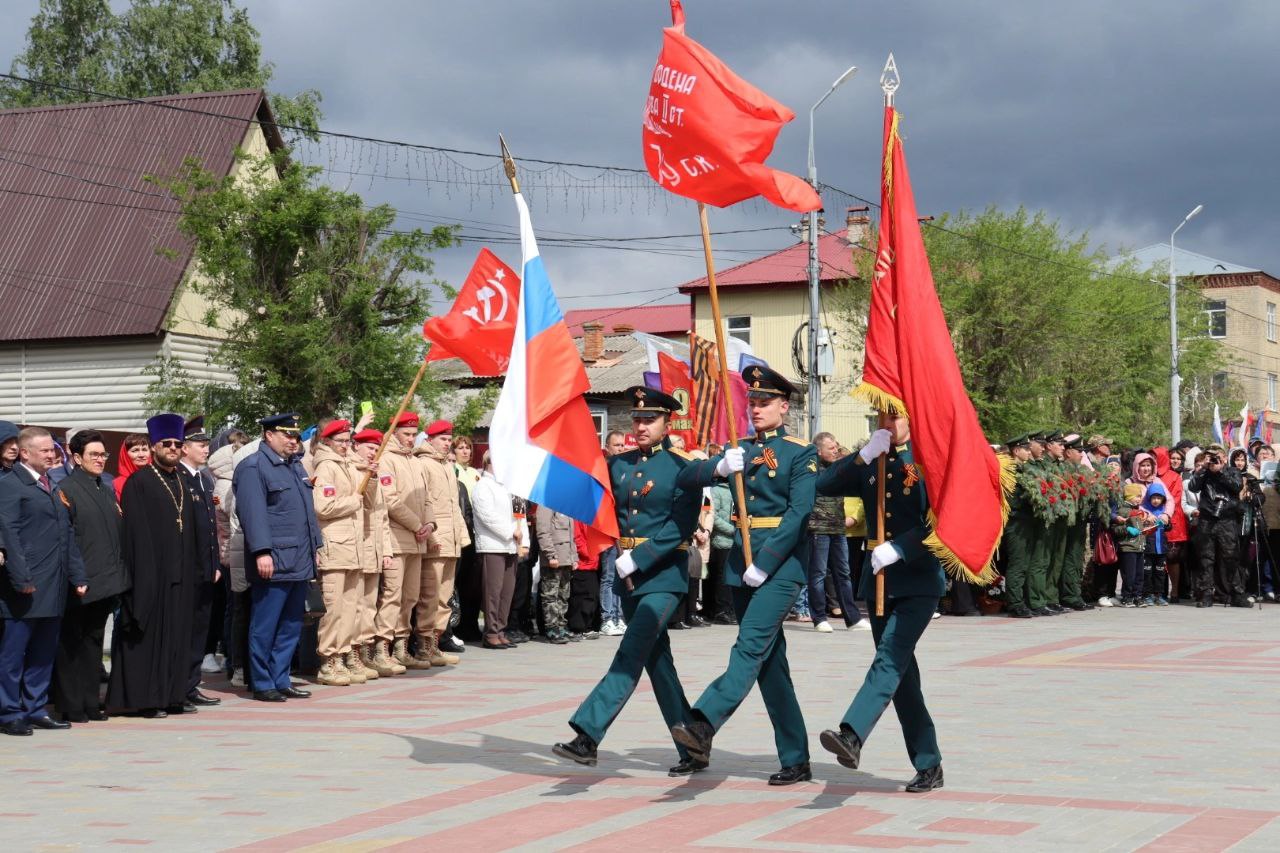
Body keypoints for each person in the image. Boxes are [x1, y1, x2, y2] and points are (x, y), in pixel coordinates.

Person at [670, 365, 815, 786]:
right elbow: (684, 477)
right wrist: (715, 469)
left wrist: (766, 562)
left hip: (779, 567)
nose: (755, 408)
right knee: (771, 665)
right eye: (751, 401)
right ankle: (795, 757)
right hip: (739, 564)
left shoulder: (798, 451)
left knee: (749, 647)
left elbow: (800, 512)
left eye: (764, 402)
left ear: (783, 407)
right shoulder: (739, 450)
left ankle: (702, 722)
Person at [554, 387, 701, 774]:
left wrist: (639, 557)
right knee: (659, 663)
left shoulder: (682, 467)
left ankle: (588, 734)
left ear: (667, 423)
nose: (640, 426)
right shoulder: (619, 465)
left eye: (649, 419)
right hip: (629, 575)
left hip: (663, 575)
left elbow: (680, 527)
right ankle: (693, 743)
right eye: (636, 419)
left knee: (631, 651)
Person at [813, 408, 946, 793]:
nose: (886, 426)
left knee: (889, 657)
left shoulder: (926, 461)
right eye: (881, 419)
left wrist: (902, 549)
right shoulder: (872, 457)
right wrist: (863, 456)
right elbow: (826, 485)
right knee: (901, 677)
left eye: (894, 419)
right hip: (879, 581)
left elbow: (939, 518)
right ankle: (929, 763)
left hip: (917, 578)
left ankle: (852, 733)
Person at [107, 414, 199, 718]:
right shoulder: (139, 481)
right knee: (149, 637)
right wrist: (145, 575)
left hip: (180, 572)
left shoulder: (183, 480)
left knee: (176, 637)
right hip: (151, 574)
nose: (172, 448)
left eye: (177, 444)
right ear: (155, 446)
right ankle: (145, 700)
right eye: (166, 444)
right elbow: (135, 535)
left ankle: (172, 694)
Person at [0, 428, 89, 735]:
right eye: (45, 451)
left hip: (53, 584)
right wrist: (21, 577)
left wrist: (77, 574)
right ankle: (9, 711)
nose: (52, 455)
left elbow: (66, 535)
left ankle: (34, 707)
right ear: (25, 453)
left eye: (53, 450)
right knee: (13, 654)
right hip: (23, 586)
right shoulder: (10, 486)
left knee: (43, 651)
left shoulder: (51, 484)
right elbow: (8, 536)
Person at [233, 413, 325, 702]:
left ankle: (281, 678)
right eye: (286, 435)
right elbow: (252, 514)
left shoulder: (294, 467)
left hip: (299, 557)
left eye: (295, 436)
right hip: (273, 559)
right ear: (268, 435)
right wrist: (262, 551)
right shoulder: (253, 467)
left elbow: (306, 515)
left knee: (290, 624)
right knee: (265, 624)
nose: (292, 440)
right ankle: (262, 682)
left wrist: (316, 548)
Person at [52, 430, 128, 723]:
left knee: (94, 643)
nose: (100, 460)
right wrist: (77, 575)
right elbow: (68, 537)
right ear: (76, 457)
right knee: (72, 642)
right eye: (93, 455)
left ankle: (89, 700)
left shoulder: (103, 488)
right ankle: (70, 703)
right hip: (80, 580)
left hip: (105, 578)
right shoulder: (67, 488)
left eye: (103, 454)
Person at [311, 419, 367, 686]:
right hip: (335, 546)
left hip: (353, 547)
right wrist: (352, 502)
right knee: (333, 609)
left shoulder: (346, 464)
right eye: (341, 442)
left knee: (350, 607)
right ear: (328, 442)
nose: (346, 446)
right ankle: (328, 660)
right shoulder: (326, 467)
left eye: (348, 441)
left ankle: (344, 654)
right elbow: (322, 506)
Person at [380, 412, 435, 670]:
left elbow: (426, 499)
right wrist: (416, 524)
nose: (411, 439)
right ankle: (382, 648)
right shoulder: (387, 459)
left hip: (417, 539)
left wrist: (430, 524)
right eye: (406, 434)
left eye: (414, 435)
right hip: (397, 537)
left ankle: (401, 646)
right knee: (392, 595)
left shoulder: (415, 462)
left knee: (411, 596)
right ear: (395, 433)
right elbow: (390, 500)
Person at [415, 420, 469, 665]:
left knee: (445, 597)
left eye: (449, 440)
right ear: (431, 439)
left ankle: (435, 643)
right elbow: (424, 504)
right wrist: (433, 537)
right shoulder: (424, 464)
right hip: (436, 541)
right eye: (443, 440)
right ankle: (424, 645)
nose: (447, 444)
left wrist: (462, 538)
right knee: (430, 595)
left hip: (452, 541)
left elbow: (454, 507)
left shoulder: (447, 465)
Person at [179, 420, 222, 709]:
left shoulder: (203, 478)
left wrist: (215, 561)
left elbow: (210, 526)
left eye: (207, 444)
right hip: (188, 569)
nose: (205, 449)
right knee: (186, 631)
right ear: (184, 448)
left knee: (199, 630)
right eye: (200, 444)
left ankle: (191, 684)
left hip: (206, 567)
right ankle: (181, 686)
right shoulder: (180, 478)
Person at [351, 429, 401, 677]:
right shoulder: (354, 471)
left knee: (369, 605)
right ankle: (354, 653)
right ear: (356, 446)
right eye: (369, 447)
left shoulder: (374, 473)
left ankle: (366, 653)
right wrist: (369, 476)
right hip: (358, 547)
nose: (374, 452)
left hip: (376, 548)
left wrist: (387, 551)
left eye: (376, 447)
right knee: (357, 606)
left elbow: (382, 518)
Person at [808, 432, 869, 632]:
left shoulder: (837, 468)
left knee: (843, 573)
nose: (836, 451)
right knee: (818, 574)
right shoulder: (811, 469)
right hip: (818, 527)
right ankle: (819, 617)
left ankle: (852, 618)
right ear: (819, 451)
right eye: (831, 448)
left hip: (838, 527)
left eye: (836, 447)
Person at [1185, 444, 1249, 608]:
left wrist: (1220, 471)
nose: (1214, 459)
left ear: (1224, 457)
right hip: (1207, 520)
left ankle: (1237, 593)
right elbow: (1192, 487)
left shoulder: (1232, 471)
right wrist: (1205, 468)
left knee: (1231, 558)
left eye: (1217, 456)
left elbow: (1237, 486)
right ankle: (1206, 594)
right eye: (1211, 456)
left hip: (1226, 520)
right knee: (1206, 558)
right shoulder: (1204, 473)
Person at [471, 451, 522, 650]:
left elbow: (519, 514)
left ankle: (501, 629)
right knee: (493, 590)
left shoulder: (508, 486)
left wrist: (521, 537)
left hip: (510, 545)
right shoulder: (483, 485)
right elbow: (487, 516)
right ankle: (491, 631)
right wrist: (511, 532)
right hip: (492, 544)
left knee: (507, 591)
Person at [1001, 435, 1036, 618]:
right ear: (1016, 451)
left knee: (1025, 563)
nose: (1029, 452)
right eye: (1026, 449)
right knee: (1018, 563)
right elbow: (1011, 501)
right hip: (1016, 522)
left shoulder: (1025, 470)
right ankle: (1014, 603)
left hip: (1026, 521)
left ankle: (1020, 600)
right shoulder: (1010, 471)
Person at [599, 431, 629, 637]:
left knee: (622, 574)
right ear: (607, 447)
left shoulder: (625, 469)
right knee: (609, 576)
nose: (620, 448)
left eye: (622, 445)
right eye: (616, 445)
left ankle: (619, 617)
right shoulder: (605, 469)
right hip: (608, 529)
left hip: (624, 530)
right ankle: (607, 618)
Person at [536, 503, 576, 644]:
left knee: (563, 595)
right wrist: (550, 554)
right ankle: (551, 628)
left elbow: (572, 536)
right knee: (550, 596)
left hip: (566, 559)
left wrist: (574, 557)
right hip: (554, 559)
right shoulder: (546, 504)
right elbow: (542, 531)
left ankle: (561, 625)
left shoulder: (565, 505)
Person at [1141, 482, 1173, 605]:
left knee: (1160, 573)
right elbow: (1141, 528)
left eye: (1158, 498)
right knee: (1147, 573)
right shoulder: (1145, 512)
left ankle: (1159, 595)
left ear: (1163, 499)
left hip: (1161, 550)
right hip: (1148, 549)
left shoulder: (1164, 512)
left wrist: (1167, 522)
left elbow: (1169, 528)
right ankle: (1147, 595)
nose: (1155, 500)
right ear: (1149, 498)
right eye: (1153, 497)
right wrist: (1146, 519)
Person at [113, 433, 151, 502]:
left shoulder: (157, 479)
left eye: (144, 449)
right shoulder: (116, 485)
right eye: (135, 450)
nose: (141, 455)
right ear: (125, 455)